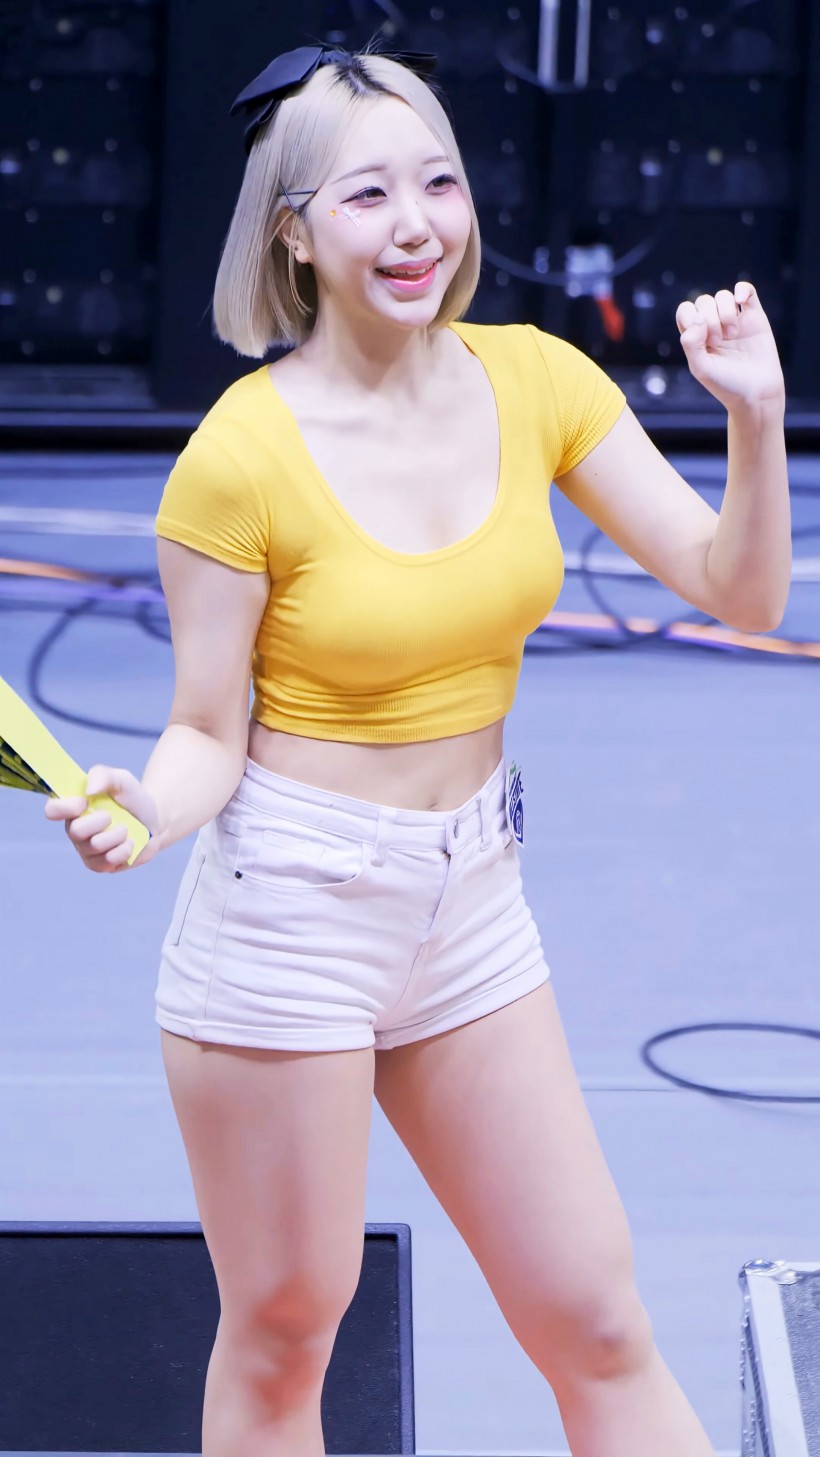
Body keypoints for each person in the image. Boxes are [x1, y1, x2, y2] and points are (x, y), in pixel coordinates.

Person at [44, 41, 790, 1457]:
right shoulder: (240, 456)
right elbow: (205, 729)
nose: (415, 227)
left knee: (598, 1320)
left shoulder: (536, 380)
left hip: (471, 904)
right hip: (291, 919)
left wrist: (753, 414)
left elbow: (739, 591)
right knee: (285, 1337)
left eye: (439, 183)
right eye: (367, 195)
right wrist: (144, 806)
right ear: (293, 234)